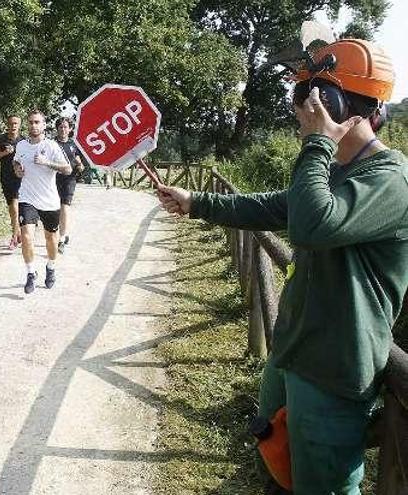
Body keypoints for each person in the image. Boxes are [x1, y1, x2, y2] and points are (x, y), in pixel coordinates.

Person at [157, 39, 408, 493]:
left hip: (334, 370)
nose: (303, 113)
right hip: (293, 353)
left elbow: (314, 225)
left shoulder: (392, 180)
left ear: (341, 106)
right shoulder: (331, 170)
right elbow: (278, 206)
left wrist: (317, 144)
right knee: (276, 464)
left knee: (321, 485)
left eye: (315, 100)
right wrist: (196, 203)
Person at [13, 110, 70, 294]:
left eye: (37, 122)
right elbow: (16, 163)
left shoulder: (52, 146)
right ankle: (30, 273)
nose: (33, 125)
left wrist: (47, 163)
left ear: (44, 125)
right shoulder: (21, 145)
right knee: (27, 236)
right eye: (30, 122)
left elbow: (67, 169)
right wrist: (17, 170)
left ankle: (51, 267)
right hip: (27, 198)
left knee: (50, 239)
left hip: (49, 200)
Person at [53, 116, 84, 253]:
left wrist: (80, 165)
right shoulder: (51, 144)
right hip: (53, 179)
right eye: (60, 127)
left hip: (69, 179)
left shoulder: (73, 145)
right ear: (57, 128)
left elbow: (77, 158)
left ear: (70, 129)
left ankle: (61, 238)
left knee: (65, 206)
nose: (63, 129)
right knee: (55, 208)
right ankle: (60, 234)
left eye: (66, 127)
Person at [0, 115, 24, 250]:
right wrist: (5, 153)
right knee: (12, 208)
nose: (13, 126)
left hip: (21, 178)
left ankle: (14, 236)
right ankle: (18, 233)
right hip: (6, 177)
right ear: (7, 124)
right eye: (11, 123)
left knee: (15, 206)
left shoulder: (24, 141)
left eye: (16, 124)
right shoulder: (1, 139)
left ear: (19, 125)